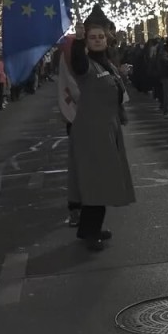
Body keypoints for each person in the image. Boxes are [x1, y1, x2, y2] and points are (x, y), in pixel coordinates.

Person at [69, 14, 136, 251]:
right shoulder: (86, 62)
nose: (97, 40)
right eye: (92, 38)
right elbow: (78, 64)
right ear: (87, 41)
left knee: (103, 180)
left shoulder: (105, 63)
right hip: (92, 132)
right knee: (95, 181)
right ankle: (90, 233)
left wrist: (122, 76)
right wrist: (78, 41)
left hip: (107, 128)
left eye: (101, 37)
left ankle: (90, 228)